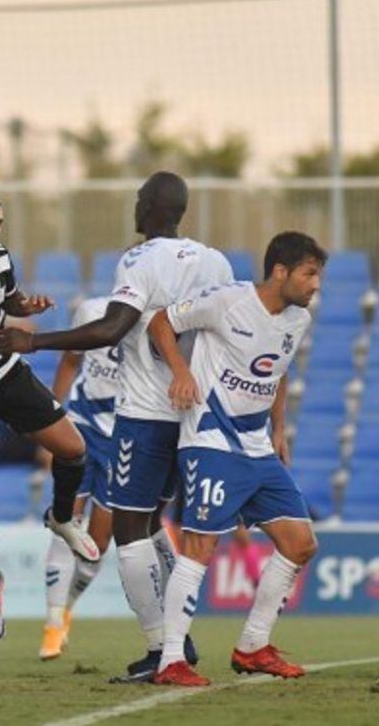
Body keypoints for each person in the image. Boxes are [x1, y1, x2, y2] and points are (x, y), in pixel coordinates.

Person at [0, 171, 233, 681]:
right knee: (151, 525)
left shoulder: (140, 259)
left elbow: (112, 327)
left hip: (146, 413)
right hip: (191, 411)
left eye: (139, 197)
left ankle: (158, 649)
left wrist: (32, 343)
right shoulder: (216, 260)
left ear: (147, 206)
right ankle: (177, 641)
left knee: (127, 530)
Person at [149, 231, 323, 686]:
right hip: (210, 439)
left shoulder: (297, 320)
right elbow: (160, 323)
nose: (314, 286)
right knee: (201, 546)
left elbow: (278, 372)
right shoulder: (227, 301)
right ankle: (170, 660)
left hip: (257, 447)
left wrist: (279, 428)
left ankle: (252, 646)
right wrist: (181, 371)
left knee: (301, 543)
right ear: (280, 271)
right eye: (309, 274)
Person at [0, 190, 100, 638]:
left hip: (5, 374)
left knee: (74, 449)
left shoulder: (1, 258)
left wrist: (27, 308)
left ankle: (62, 518)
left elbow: (8, 300)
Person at [40, 295, 119, 660]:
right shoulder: (92, 311)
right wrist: (53, 420)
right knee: (65, 518)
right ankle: (53, 622)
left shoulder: (160, 324)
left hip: (125, 438)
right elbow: (71, 361)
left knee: (98, 543)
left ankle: (67, 607)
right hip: (84, 427)